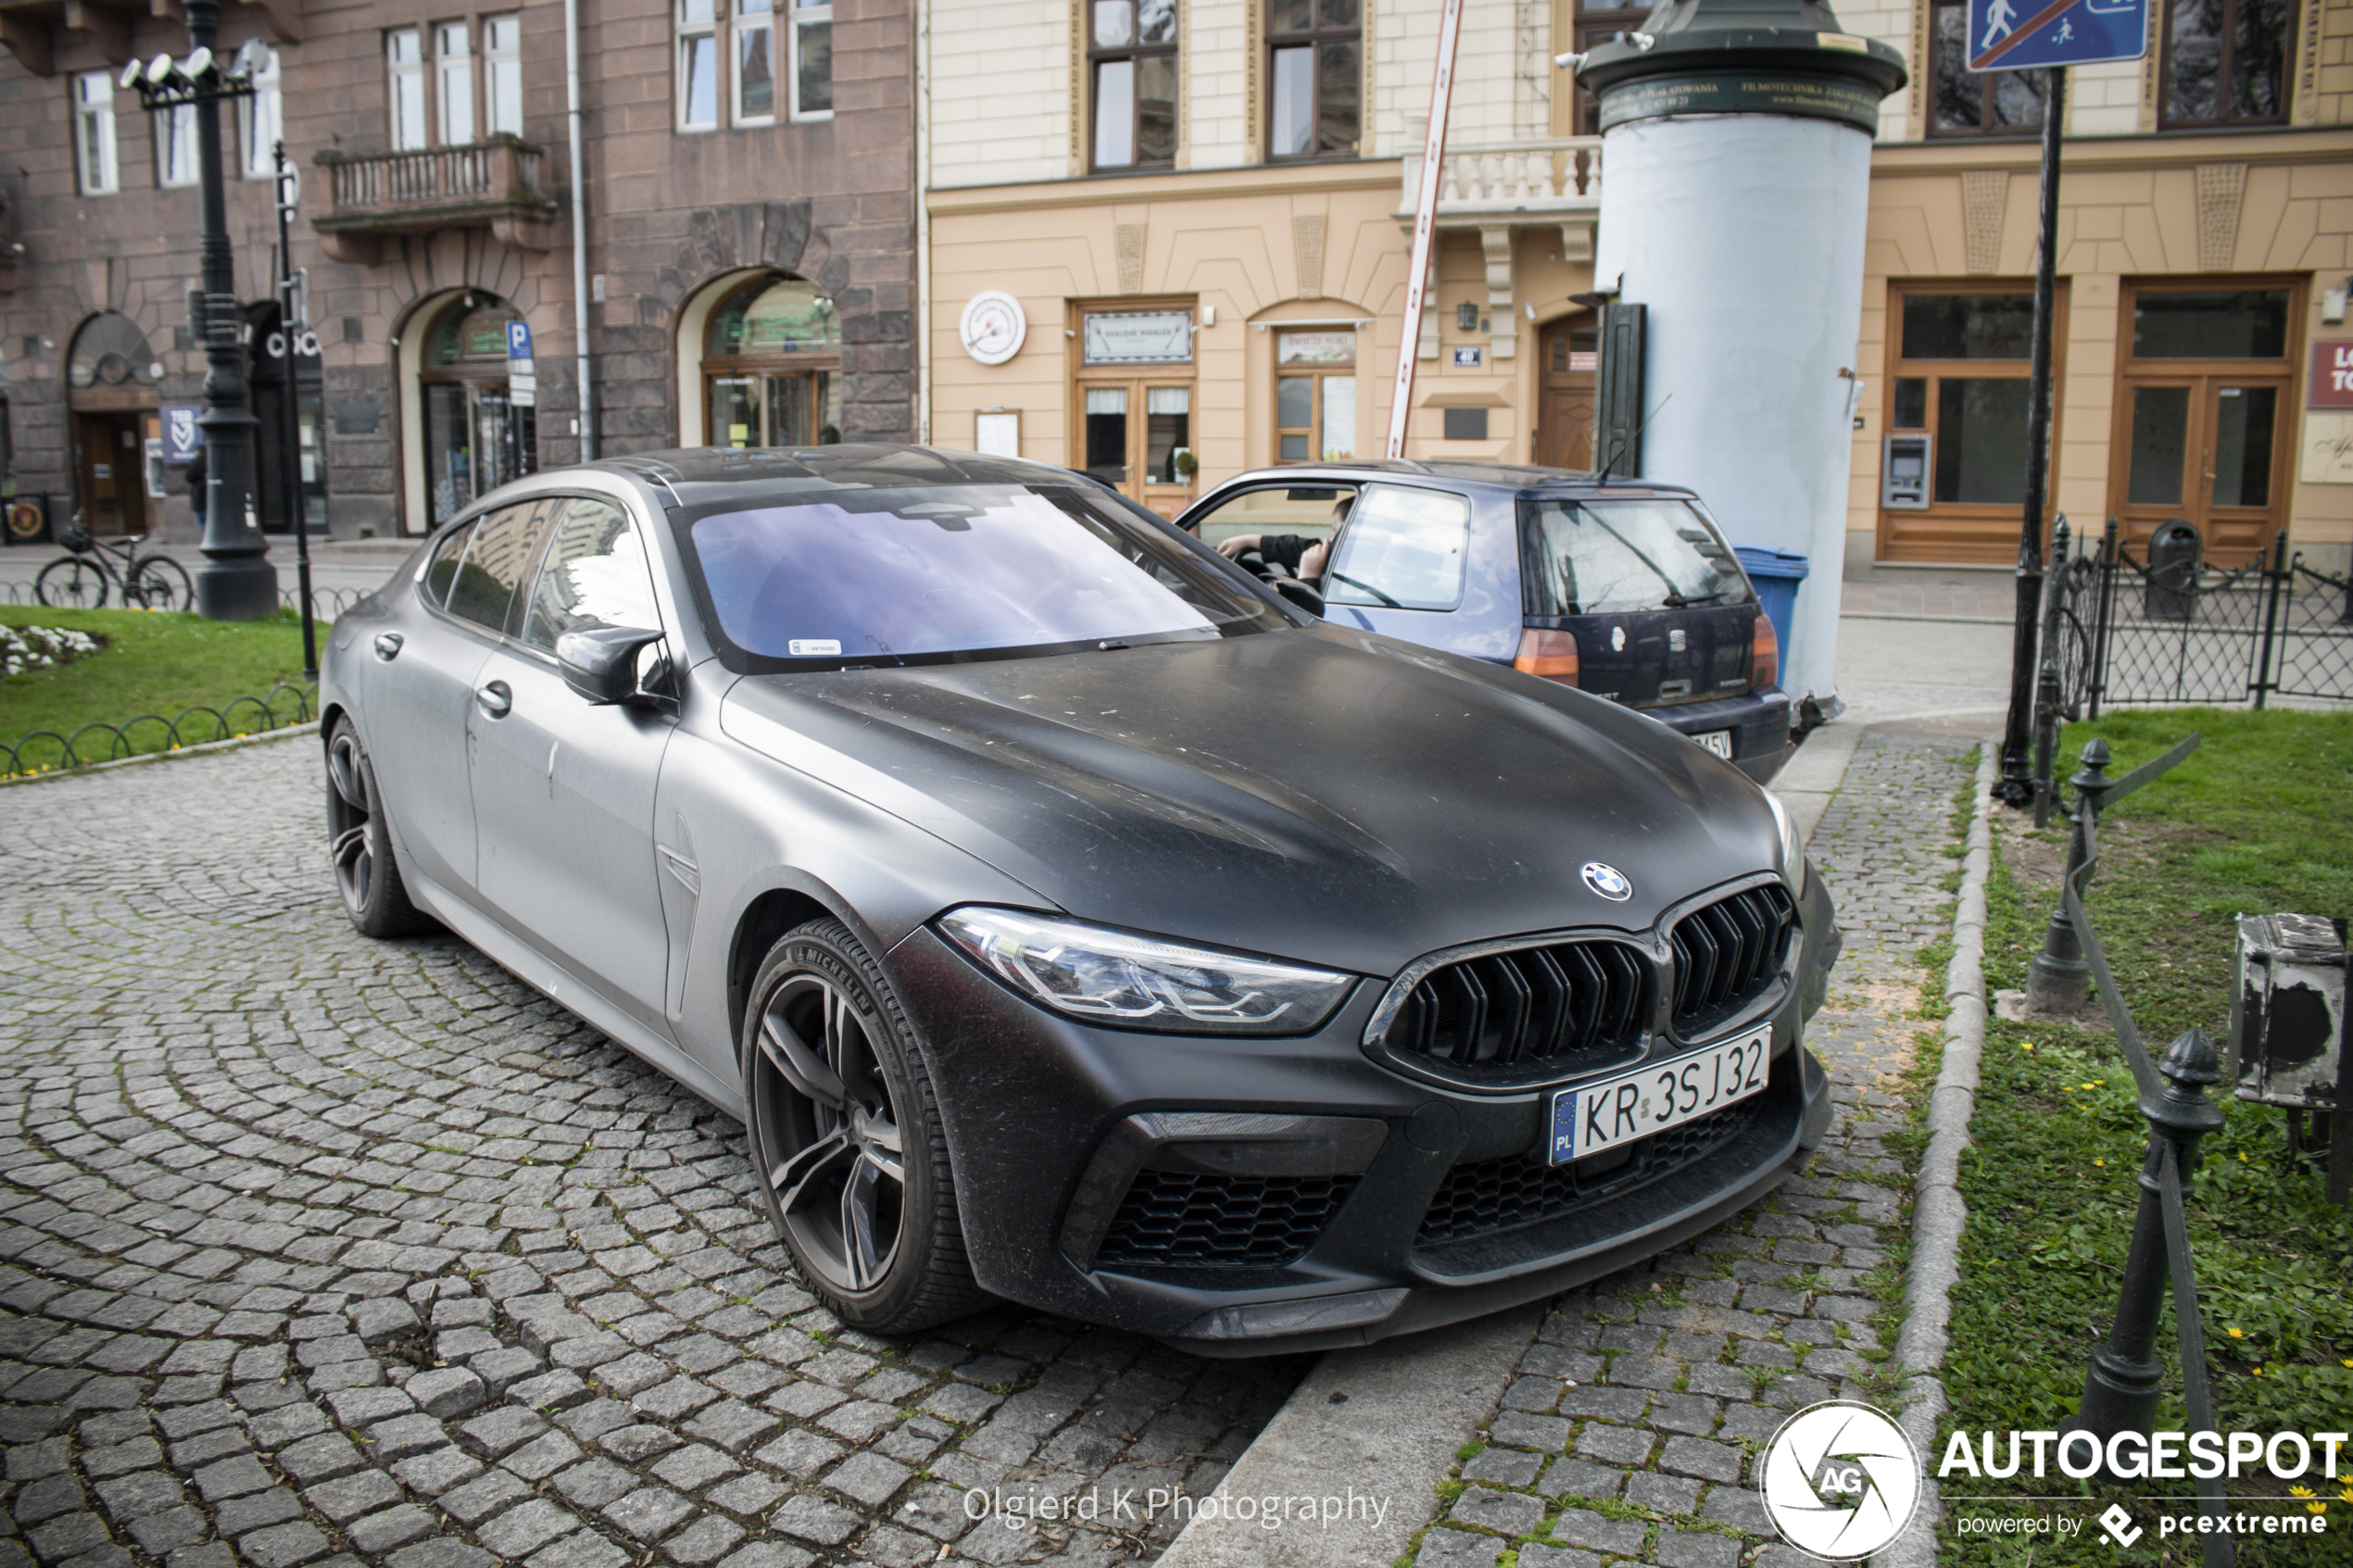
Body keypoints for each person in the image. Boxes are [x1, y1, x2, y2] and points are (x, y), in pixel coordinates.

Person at [1214, 495, 1351, 584]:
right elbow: (1306, 548)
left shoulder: (1350, 564)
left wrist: (1308, 577)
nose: (1330, 538)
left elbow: (1306, 616)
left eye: (1335, 530)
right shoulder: (1348, 554)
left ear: (1348, 532)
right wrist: (1250, 541)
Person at [183, 446, 208, 533]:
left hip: (200, 496)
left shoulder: (198, 462)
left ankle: (208, 539)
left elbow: (189, 476)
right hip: (213, 498)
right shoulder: (213, 460)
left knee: (202, 520)